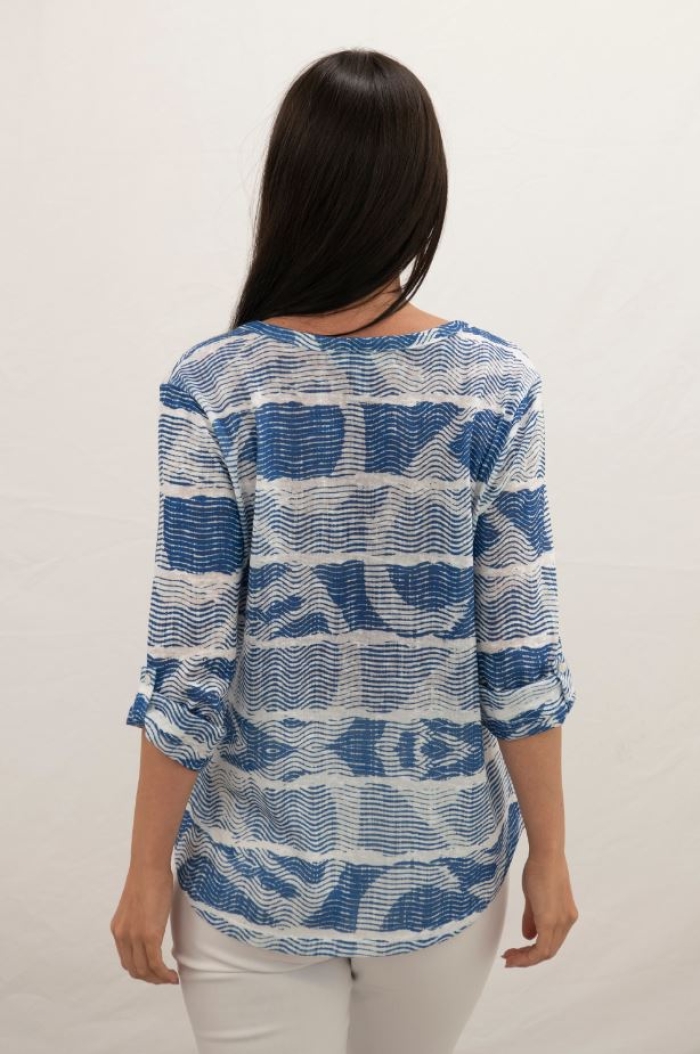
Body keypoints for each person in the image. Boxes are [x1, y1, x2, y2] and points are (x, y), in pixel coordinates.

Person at [110, 46, 579, 1054]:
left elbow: (188, 662)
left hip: (250, 876)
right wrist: (550, 851)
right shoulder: (496, 386)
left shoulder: (217, 387)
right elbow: (521, 653)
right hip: (443, 871)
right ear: (421, 194)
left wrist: (145, 869)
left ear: (289, 188)